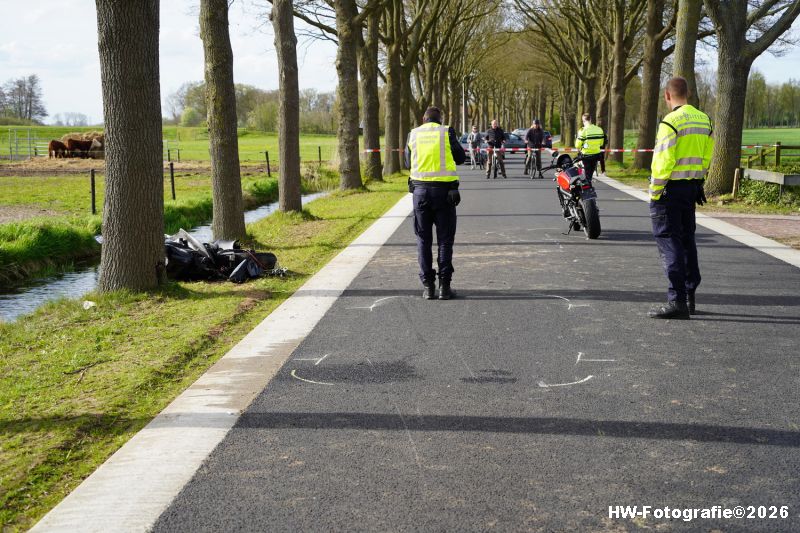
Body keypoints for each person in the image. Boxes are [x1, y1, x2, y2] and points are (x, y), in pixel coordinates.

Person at [648, 76, 714, 319]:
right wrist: (698, 182)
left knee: (669, 241)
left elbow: (663, 162)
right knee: (687, 240)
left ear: (667, 95)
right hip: (691, 188)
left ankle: (676, 301)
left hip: (669, 190)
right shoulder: (704, 119)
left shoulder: (670, 122)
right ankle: (688, 297)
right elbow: (706, 157)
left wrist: (655, 193)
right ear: (688, 93)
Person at [405, 106, 466, 300]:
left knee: (423, 240)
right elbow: (461, 158)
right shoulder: (447, 132)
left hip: (420, 193)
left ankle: (428, 287)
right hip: (445, 193)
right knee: (445, 241)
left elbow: (407, 163)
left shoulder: (413, 134)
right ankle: (444, 288)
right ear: (440, 120)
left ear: (424, 119)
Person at [574, 113, 605, 182]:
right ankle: (588, 183)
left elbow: (577, 145)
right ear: (590, 119)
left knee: (587, 172)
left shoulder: (583, 130)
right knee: (590, 172)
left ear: (583, 120)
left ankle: (588, 185)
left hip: (586, 154)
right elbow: (601, 143)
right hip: (596, 154)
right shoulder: (599, 129)